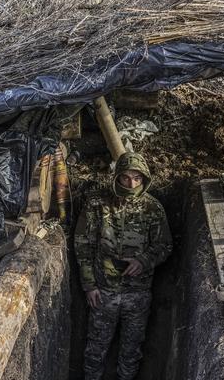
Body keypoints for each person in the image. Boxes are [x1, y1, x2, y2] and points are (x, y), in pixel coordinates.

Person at [74, 152, 172, 380]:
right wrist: (89, 285)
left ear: (144, 179)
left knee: (131, 351)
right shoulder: (97, 205)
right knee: (95, 349)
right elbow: (83, 244)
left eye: (137, 178)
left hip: (137, 295)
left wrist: (144, 261)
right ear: (116, 177)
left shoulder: (152, 208)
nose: (131, 183)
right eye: (126, 178)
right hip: (103, 292)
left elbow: (165, 244)